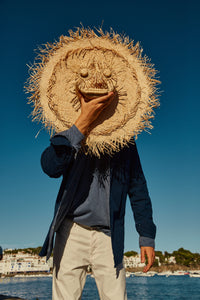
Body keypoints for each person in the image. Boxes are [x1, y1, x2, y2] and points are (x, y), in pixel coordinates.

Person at [40, 91, 156, 299]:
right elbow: (50, 167)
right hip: (71, 231)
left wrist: (146, 236)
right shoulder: (70, 130)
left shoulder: (125, 141)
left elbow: (138, 189)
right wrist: (81, 125)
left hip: (110, 236)